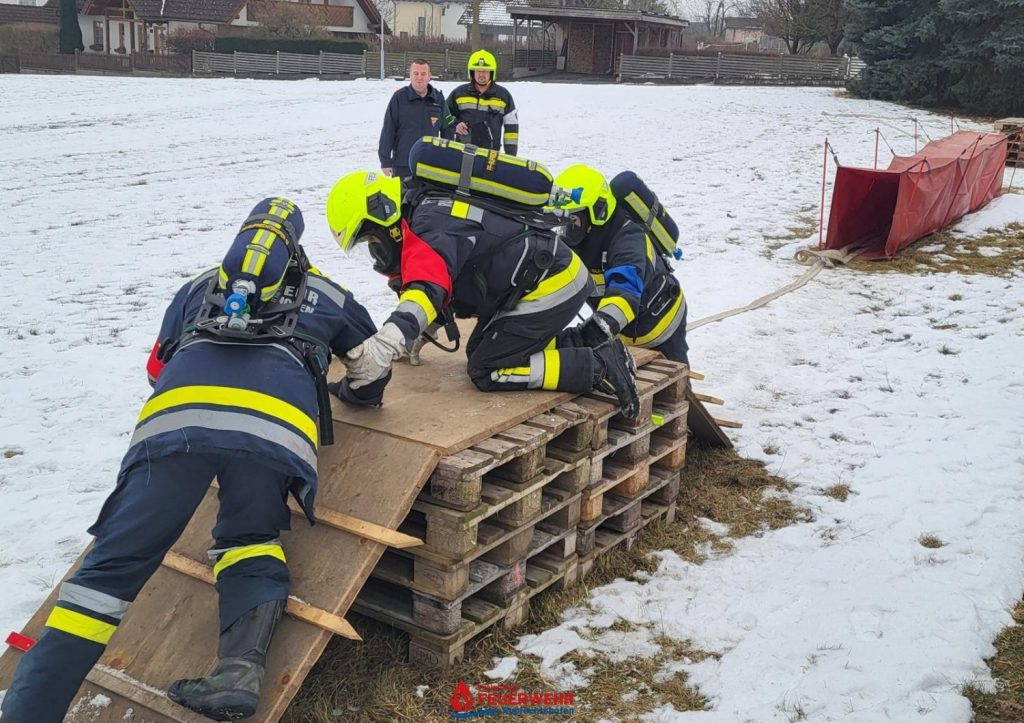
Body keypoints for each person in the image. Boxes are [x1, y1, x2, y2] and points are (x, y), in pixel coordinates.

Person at [0, 198, 389, 723]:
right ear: (297, 248)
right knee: (249, 540)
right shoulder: (330, 295)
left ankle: (29, 711)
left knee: (106, 578)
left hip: (174, 427)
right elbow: (372, 375)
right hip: (276, 436)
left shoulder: (197, 287)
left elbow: (157, 367)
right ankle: (238, 674)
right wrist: (347, 392)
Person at [325, 171, 641, 418]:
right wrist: (419, 332)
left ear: (384, 215)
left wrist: (387, 344)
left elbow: (427, 287)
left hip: (551, 284)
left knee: (487, 368)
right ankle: (586, 345)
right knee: (483, 347)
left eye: (372, 240)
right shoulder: (425, 210)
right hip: (540, 278)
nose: (377, 253)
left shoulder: (431, 224)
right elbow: (443, 280)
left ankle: (597, 364)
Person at [552, 165, 689, 364]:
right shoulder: (578, 238)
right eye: (560, 219)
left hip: (662, 323)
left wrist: (593, 332)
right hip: (622, 330)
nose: (564, 229)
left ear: (597, 212)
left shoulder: (628, 240)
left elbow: (624, 293)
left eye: (573, 219)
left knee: (675, 381)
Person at [378, 58, 447, 180]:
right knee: (403, 198)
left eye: (423, 74)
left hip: (430, 164)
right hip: (403, 164)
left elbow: (447, 128)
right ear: (410, 75)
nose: (419, 78)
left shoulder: (438, 99)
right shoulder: (399, 98)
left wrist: (448, 158)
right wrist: (385, 161)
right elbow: (388, 129)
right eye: (415, 73)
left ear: (429, 76)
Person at [445, 50, 519, 156]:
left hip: (491, 156)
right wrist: (456, 125)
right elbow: (445, 117)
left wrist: (511, 157)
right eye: (478, 71)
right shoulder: (459, 94)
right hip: (463, 152)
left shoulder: (504, 96)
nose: (481, 74)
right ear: (472, 72)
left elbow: (511, 129)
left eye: (485, 71)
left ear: (491, 73)